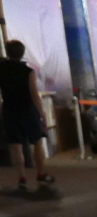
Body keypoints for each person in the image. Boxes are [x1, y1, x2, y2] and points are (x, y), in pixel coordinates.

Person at [0, 40, 53, 191]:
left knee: (16, 146)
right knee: (37, 142)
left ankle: (22, 178)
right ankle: (41, 174)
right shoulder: (28, 72)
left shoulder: (1, 69)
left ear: (7, 52)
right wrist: (42, 114)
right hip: (27, 109)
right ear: (22, 53)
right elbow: (34, 95)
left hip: (10, 109)